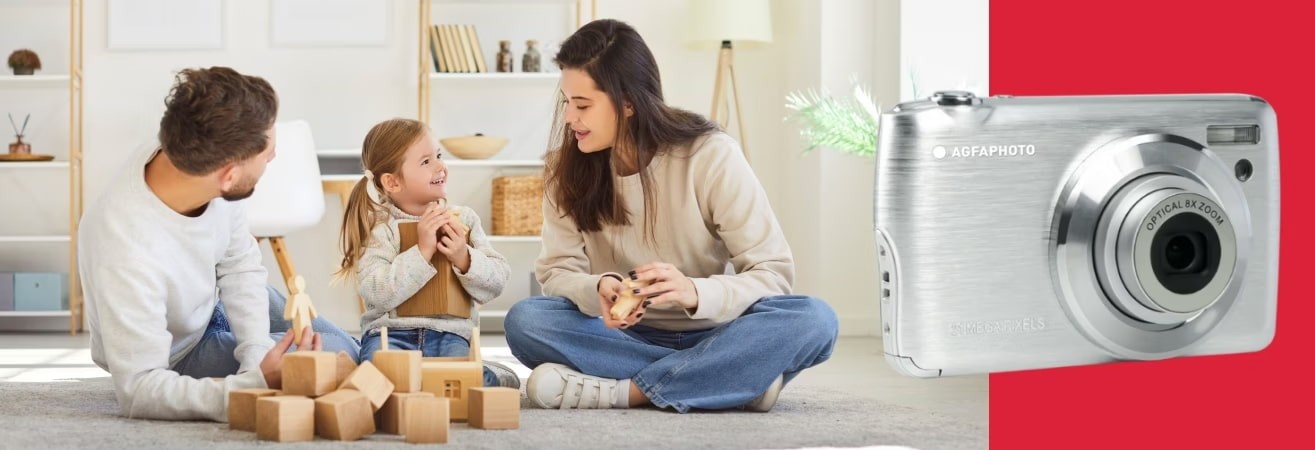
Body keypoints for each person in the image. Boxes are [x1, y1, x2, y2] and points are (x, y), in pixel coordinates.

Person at [503, 19, 839, 413]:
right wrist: (598, 288)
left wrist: (695, 292)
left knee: (815, 320)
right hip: (622, 337)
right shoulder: (565, 172)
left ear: (627, 102)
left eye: (583, 105)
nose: (570, 119)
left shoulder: (709, 155)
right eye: (566, 103)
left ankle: (625, 392)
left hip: (717, 331)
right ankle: (734, 381)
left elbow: (772, 273)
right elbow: (557, 272)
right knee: (526, 321)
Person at [78, 67, 359, 422]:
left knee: (345, 347)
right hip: (178, 351)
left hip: (209, 301)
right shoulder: (126, 249)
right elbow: (139, 391)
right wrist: (254, 384)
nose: (273, 156)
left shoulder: (193, 158)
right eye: (268, 151)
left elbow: (240, 266)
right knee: (336, 355)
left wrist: (256, 356)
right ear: (228, 175)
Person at [337, 118, 519, 388]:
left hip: (450, 335)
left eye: (438, 156)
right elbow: (376, 291)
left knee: (462, 387)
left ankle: (484, 373)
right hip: (389, 335)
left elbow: (497, 281)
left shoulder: (463, 220)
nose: (440, 166)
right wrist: (421, 252)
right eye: (426, 162)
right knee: (378, 385)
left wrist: (464, 257)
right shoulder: (380, 229)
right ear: (392, 182)